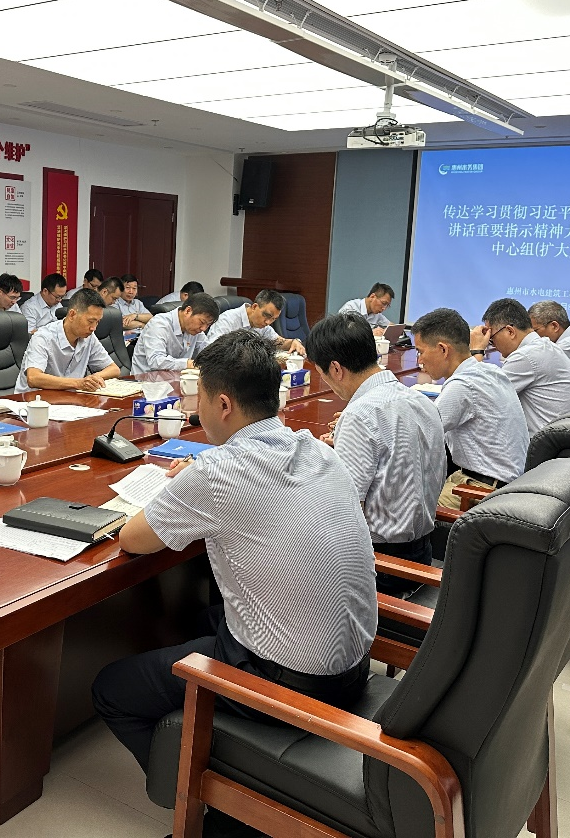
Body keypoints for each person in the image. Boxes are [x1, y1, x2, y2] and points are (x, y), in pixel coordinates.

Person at [93, 331, 376, 796]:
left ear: (223, 404)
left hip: (291, 685)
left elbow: (134, 539)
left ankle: (193, 803)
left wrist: (189, 484)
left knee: (111, 689)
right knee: (201, 618)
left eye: (200, 398)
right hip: (354, 667)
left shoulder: (217, 472)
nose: (198, 410)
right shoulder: (317, 450)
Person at [308, 313, 445, 595]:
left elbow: (346, 517)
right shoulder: (420, 400)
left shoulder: (360, 415)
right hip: (423, 553)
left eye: (322, 373)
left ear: (336, 368)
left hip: (382, 567)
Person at [413, 308, 529, 511]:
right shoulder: (489, 371)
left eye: (420, 352)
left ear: (443, 349)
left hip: (482, 491)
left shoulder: (462, 386)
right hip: (504, 484)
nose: (419, 360)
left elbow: (418, 434)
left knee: (403, 509)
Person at [472, 298, 570, 435]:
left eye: (492, 339)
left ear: (510, 331)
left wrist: (477, 350)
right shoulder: (544, 346)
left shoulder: (525, 356)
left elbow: (478, 398)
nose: (492, 345)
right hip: (563, 437)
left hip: (545, 443)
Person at [15, 289, 119, 392]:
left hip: (69, 398)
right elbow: (34, 378)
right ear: (72, 315)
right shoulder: (43, 337)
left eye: (97, 322)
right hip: (35, 399)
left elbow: (114, 369)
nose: (94, 328)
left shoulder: (89, 337)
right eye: (90, 321)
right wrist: (79, 383)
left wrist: (93, 379)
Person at [130, 292, 219, 374]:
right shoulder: (159, 324)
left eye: (208, 325)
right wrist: (188, 364)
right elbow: (156, 361)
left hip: (176, 381)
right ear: (188, 311)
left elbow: (208, 352)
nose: (203, 328)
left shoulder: (195, 330)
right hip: (145, 381)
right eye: (202, 322)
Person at [206, 289, 305, 356]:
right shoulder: (227, 320)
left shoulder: (262, 326)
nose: (268, 322)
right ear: (254, 307)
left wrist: (293, 342)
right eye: (267, 315)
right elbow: (212, 351)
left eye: (273, 319)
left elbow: (277, 342)